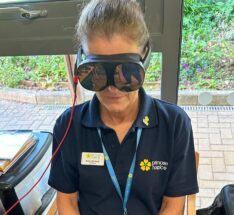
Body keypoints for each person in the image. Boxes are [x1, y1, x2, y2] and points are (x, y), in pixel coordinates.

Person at [48, 0, 198, 214]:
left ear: (144, 59)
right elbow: (68, 202)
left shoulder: (174, 123)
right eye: (97, 71)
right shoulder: (68, 125)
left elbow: (172, 205)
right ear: (82, 63)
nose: (112, 87)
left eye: (127, 71)